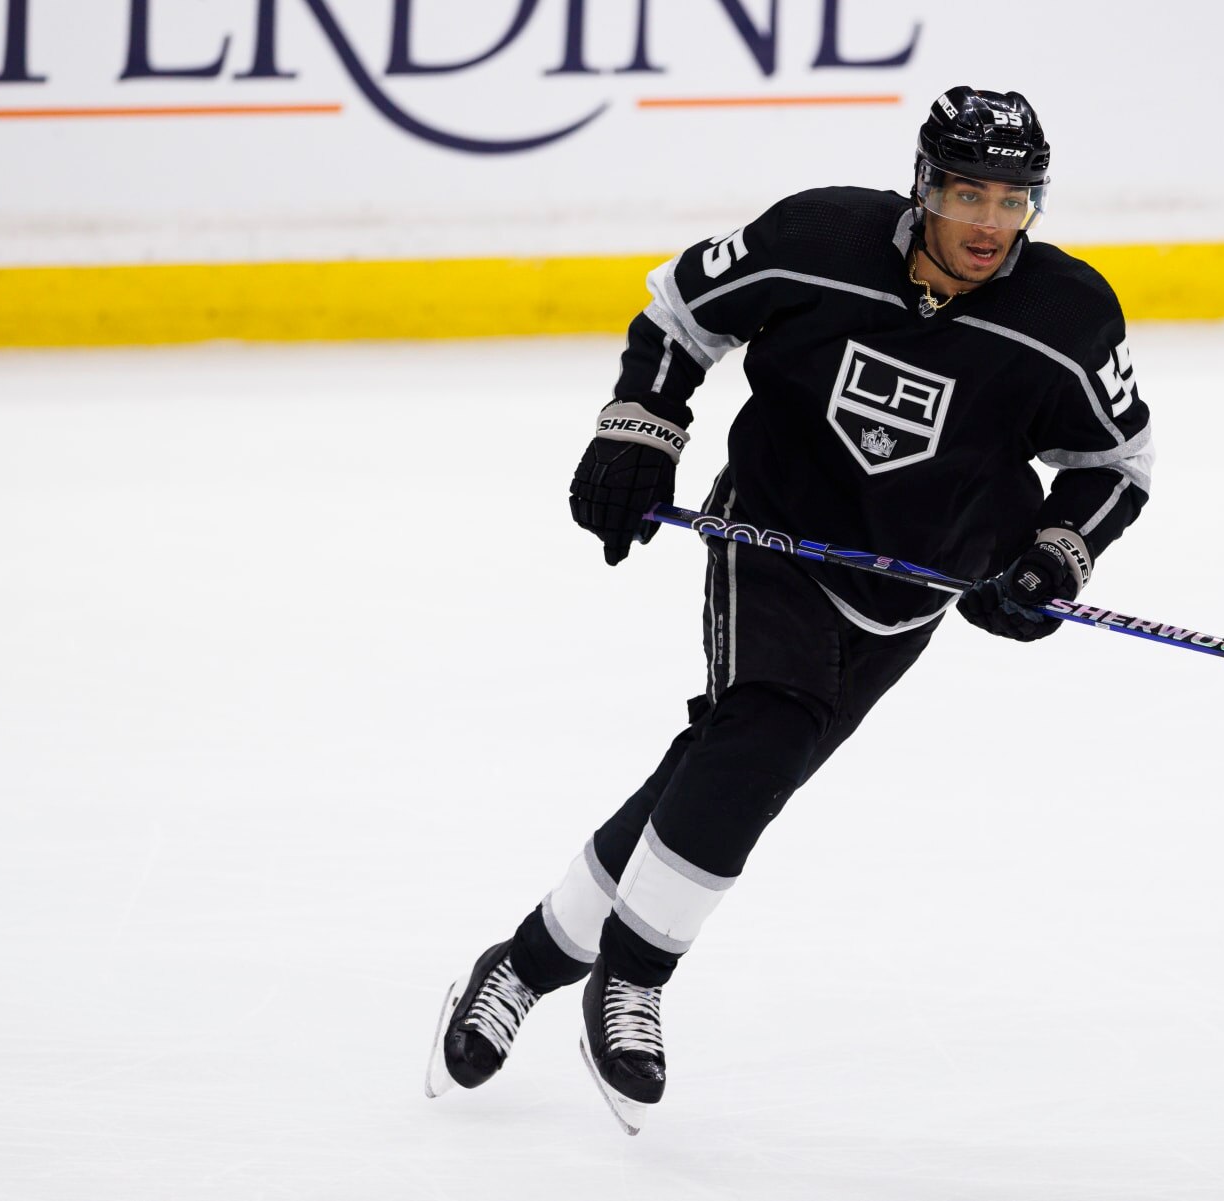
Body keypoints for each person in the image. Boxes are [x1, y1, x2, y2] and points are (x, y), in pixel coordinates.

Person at [423, 86, 1154, 1134]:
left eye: (1014, 198)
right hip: (770, 536)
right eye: (967, 193)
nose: (990, 222)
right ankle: (632, 977)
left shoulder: (1069, 315)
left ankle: (524, 964)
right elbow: (679, 310)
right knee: (765, 727)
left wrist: (1054, 553)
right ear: (923, 186)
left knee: (721, 766)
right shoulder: (818, 236)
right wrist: (640, 428)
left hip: (917, 587)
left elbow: (1113, 461)